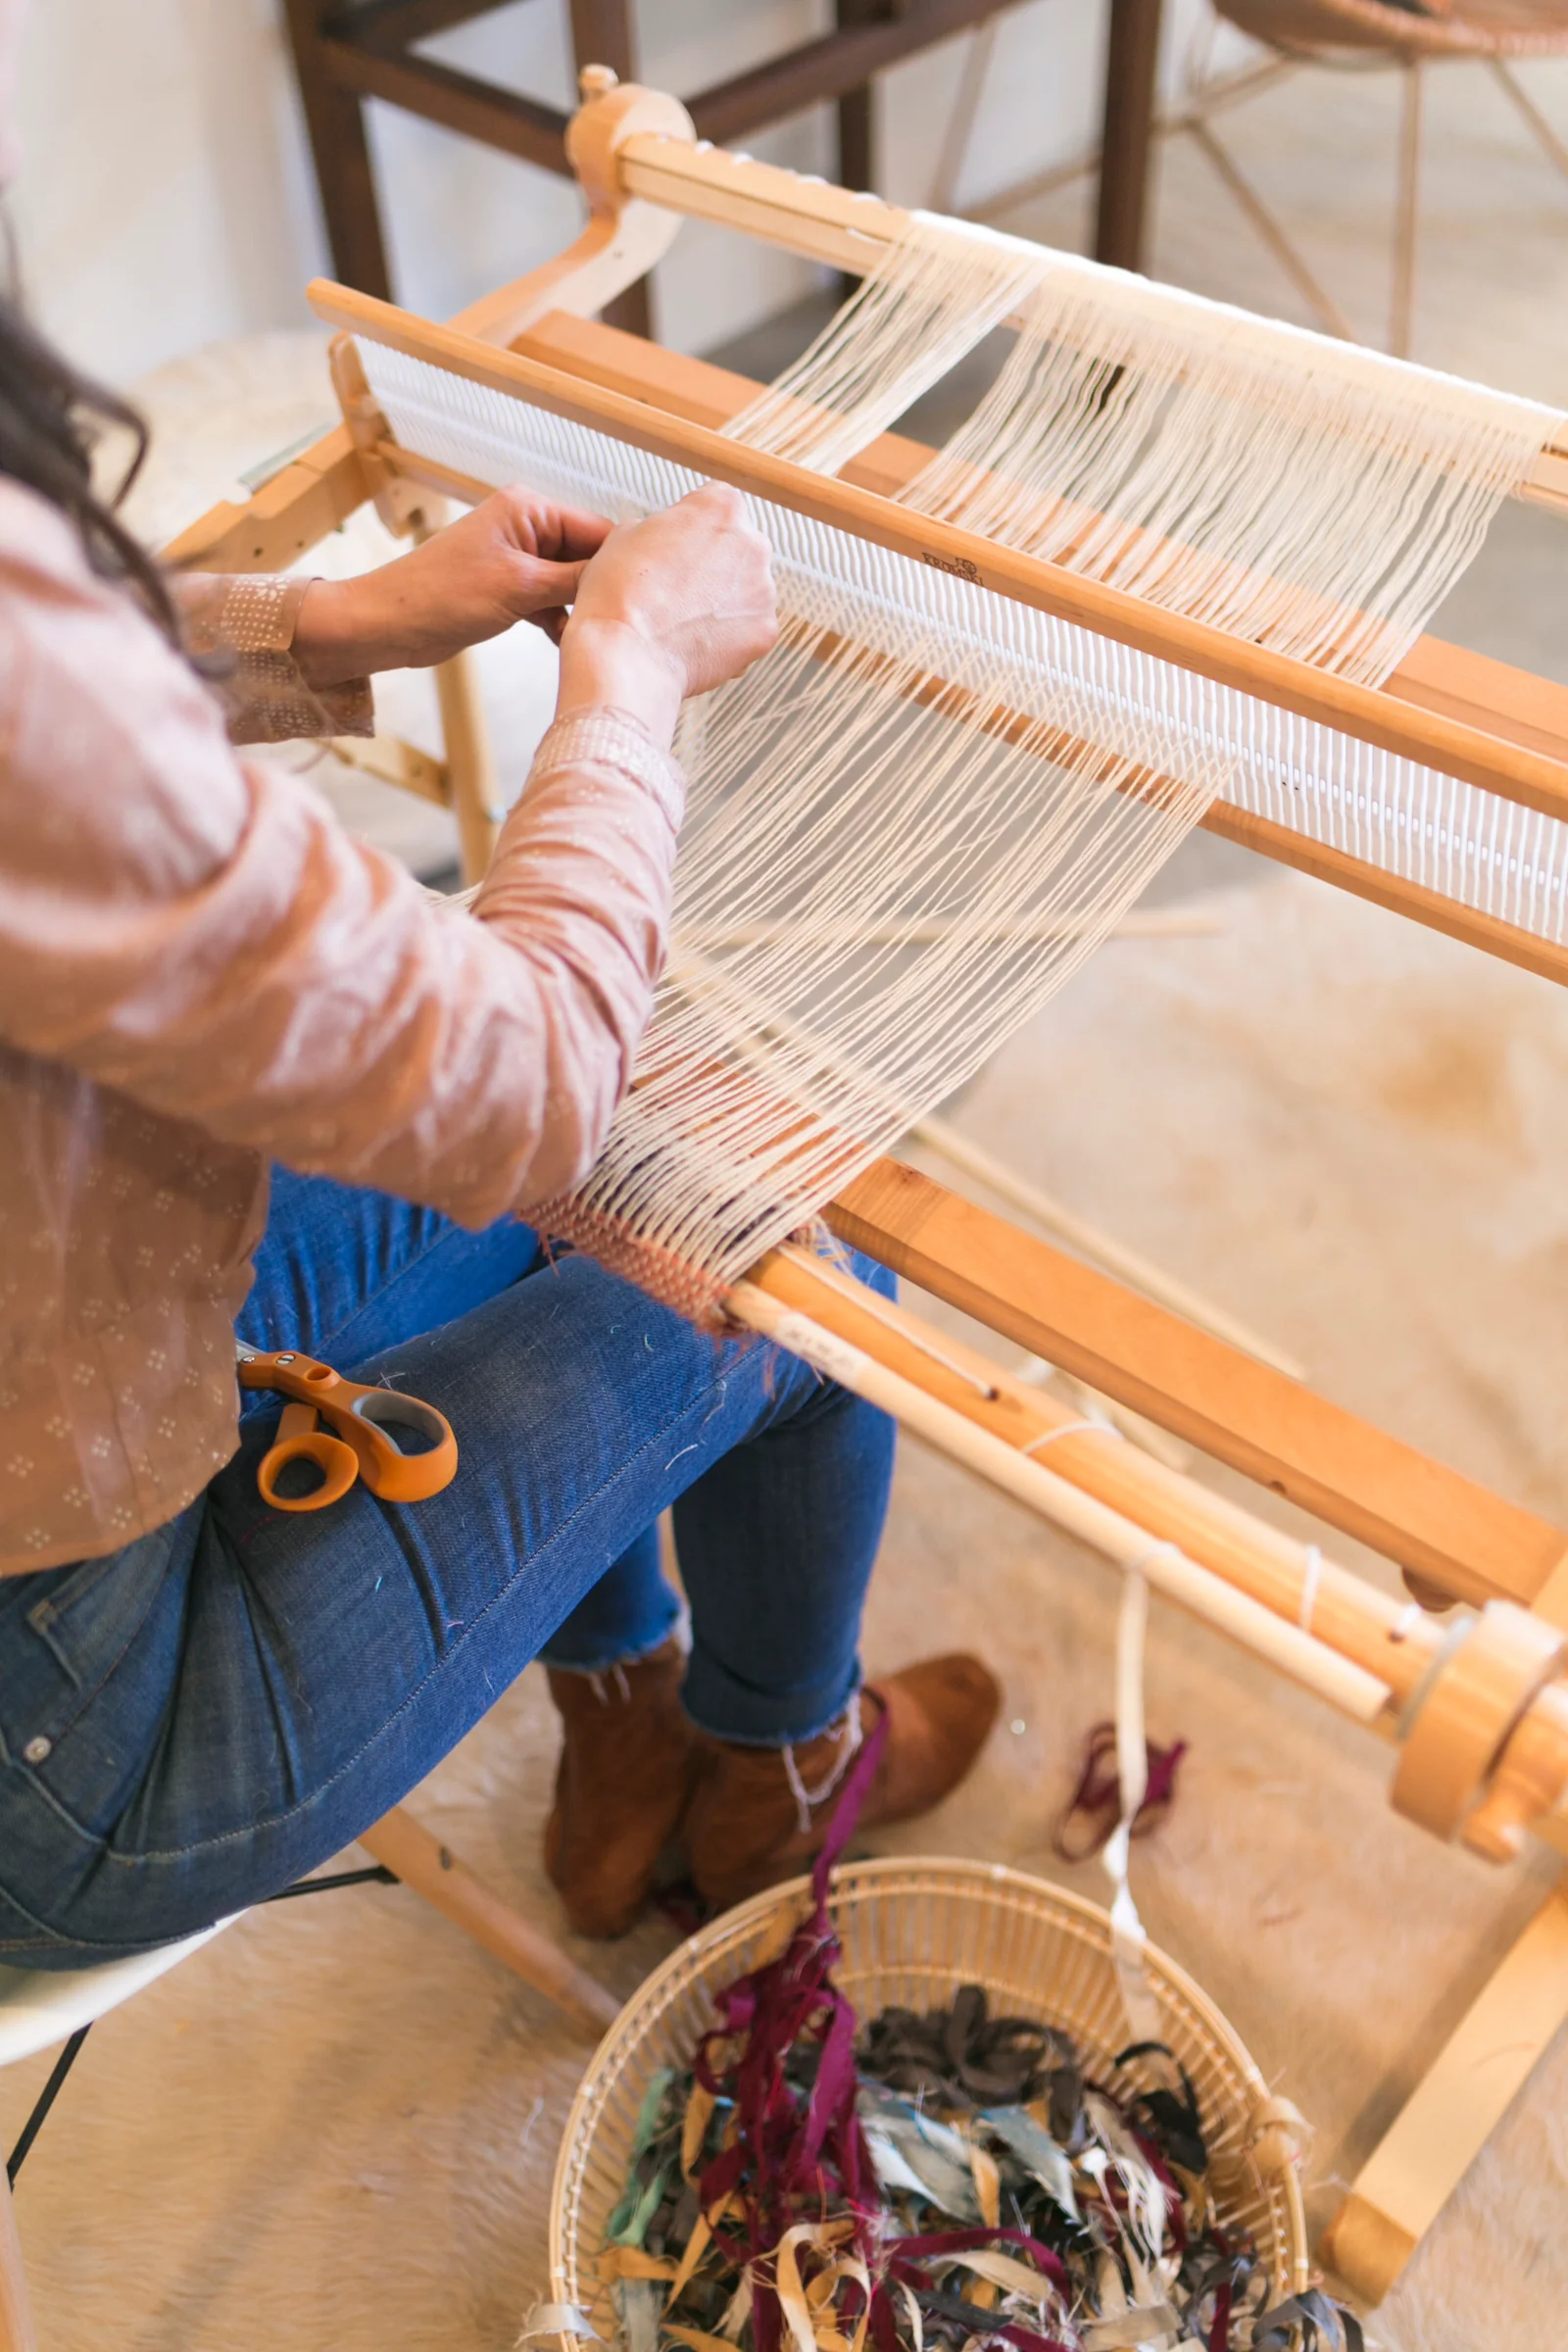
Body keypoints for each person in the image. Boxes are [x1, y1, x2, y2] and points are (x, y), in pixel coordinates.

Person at [0, 7, 999, 1968]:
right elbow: (525, 1087)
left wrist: (316, 620)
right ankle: (769, 1771)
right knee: (772, 1222)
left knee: (611, 1178)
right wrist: (623, 680)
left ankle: (621, 1728)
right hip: (58, 1754)